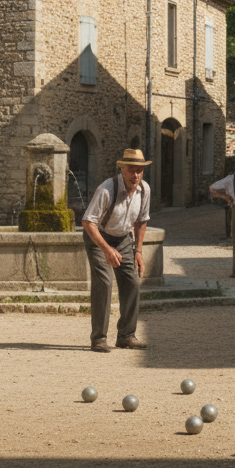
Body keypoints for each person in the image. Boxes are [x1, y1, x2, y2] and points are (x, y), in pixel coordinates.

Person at [81, 148, 152, 352]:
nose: (135, 175)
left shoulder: (144, 190)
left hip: (123, 239)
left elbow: (142, 221)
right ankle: (99, 338)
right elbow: (87, 222)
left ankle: (126, 335)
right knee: (104, 282)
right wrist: (106, 249)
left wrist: (138, 251)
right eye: (131, 170)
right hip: (98, 237)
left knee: (132, 283)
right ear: (122, 170)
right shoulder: (107, 189)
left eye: (139, 170)